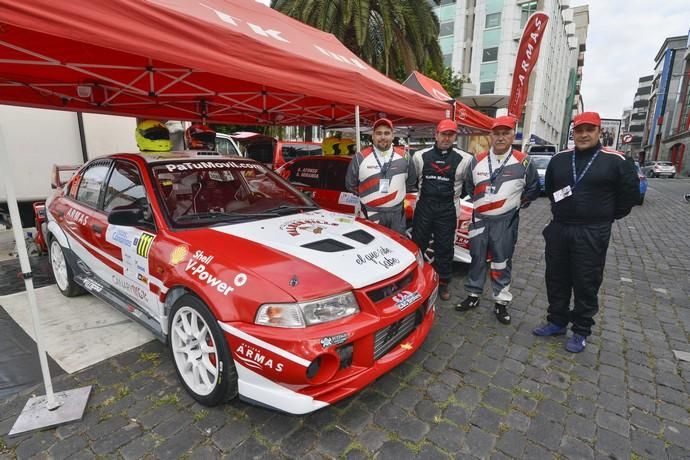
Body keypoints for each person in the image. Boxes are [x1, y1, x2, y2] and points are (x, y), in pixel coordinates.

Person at [533, 112, 639, 352]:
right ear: (574, 133)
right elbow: (550, 189)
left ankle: (581, 330)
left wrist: (602, 217)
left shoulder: (617, 160)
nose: (584, 134)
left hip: (592, 231)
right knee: (556, 277)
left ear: (599, 132)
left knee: (586, 281)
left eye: (589, 130)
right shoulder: (560, 159)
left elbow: (629, 196)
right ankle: (557, 321)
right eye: (579, 130)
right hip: (559, 228)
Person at [456, 115, 539, 324]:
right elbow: (468, 187)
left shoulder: (524, 161)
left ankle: (501, 301)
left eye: (505, 133)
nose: (501, 137)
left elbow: (533, 189)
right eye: (497, 133)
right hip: (479, 219)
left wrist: (513, 206)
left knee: (502, 261)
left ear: (513, 135)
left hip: (506, 222)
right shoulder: (477, 160)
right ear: (490, 135)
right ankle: (473, 295)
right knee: (476, 258)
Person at [411, 119, 472, 301]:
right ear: (436, 134)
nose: (446, 138)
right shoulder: (419, 156)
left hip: (448, 207)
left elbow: (468, 187)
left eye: (450, 135)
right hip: (424, 205)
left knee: (445, 247)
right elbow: (413, 182)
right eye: (443, 134)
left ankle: (443, 283)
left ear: (455, 137)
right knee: (418, 244)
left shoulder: (466, 159)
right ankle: (416, 281)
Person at [345, 118, 416, 234]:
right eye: (379, 133)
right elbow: (350, 185)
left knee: (397, 248)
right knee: (369, 249)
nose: (383, 137)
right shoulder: (360, 157)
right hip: (370, 213)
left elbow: (410, 183)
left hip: (397, 215)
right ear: (372, 136)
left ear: (393, 136)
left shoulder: (405, 157)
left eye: (387, 133)